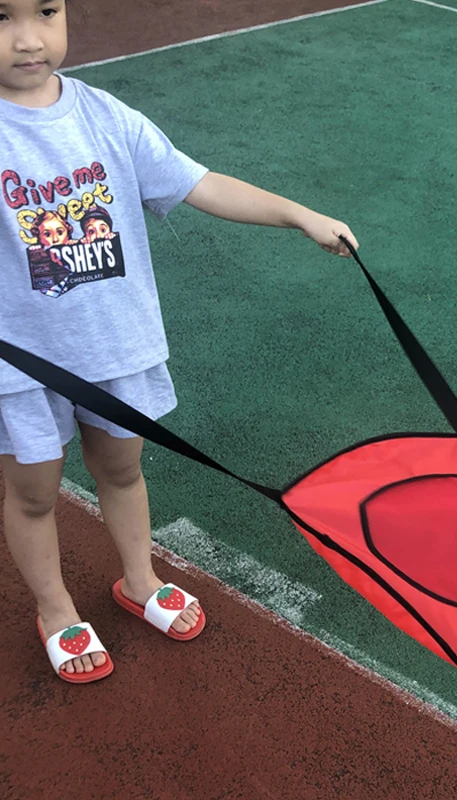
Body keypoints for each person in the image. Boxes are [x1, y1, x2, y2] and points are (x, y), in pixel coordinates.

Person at [0, 0, 359, 683]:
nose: (27, 37)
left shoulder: (105, 116)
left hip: (114, 347)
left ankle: (139, 579)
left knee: (123, 470)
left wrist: (298, 214)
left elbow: (200, 183)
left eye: (45, 10)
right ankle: (54, 609)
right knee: (33, 495)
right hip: (21, 366)